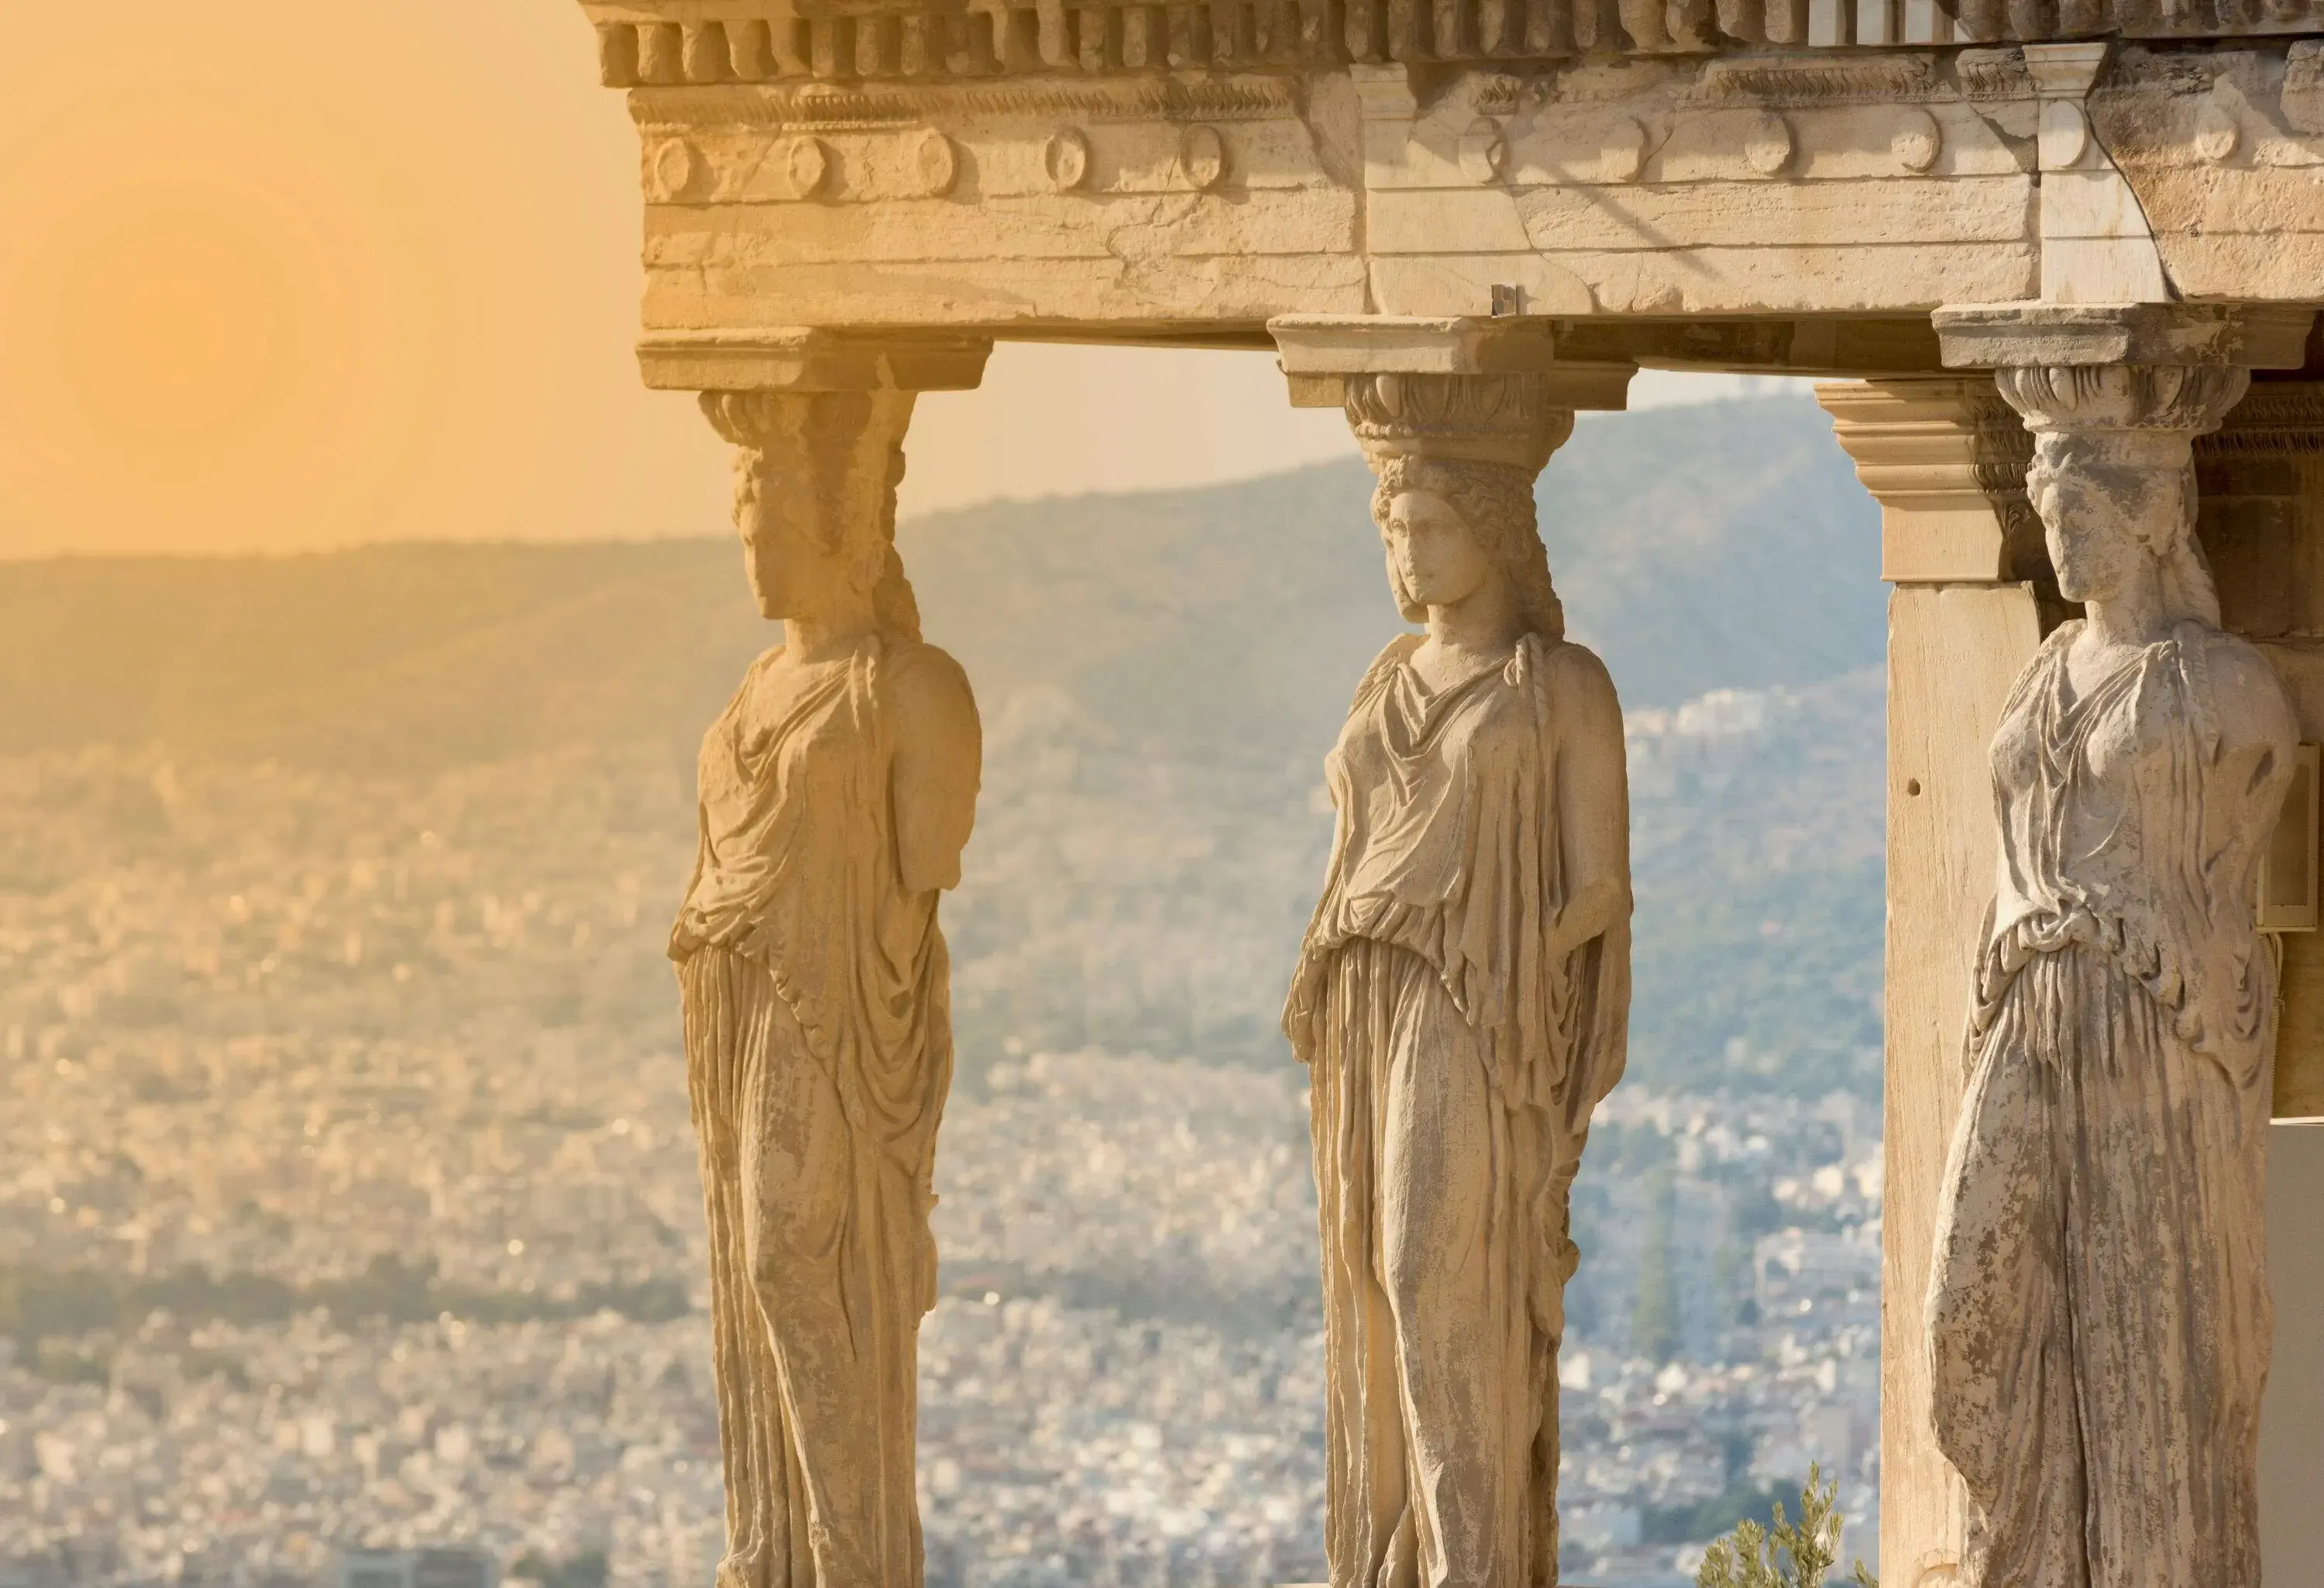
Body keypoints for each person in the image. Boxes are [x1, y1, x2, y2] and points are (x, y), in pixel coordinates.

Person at [1927, 418, 2298, 1588]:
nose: (2061, 536)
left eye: (2083, 511)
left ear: (2152, 514)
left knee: (2154, 1349)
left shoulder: (2226, 687)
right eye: (2050, 515)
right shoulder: (2041, 668)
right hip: (2026, 1013)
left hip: (2152, 1030)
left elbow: (2237, 880)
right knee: (1967, 1335)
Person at [1284, 416, 1631, 1588]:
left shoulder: (1561, 685)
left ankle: (1472, 1561)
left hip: (1476, 1002)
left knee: (1433, 1272)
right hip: (1364, 987)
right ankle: (1409, 1555)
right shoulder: (1384, 676)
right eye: (1393, 526)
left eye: (1431, 524)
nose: (1409, 548)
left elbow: (1603, 886)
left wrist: (1528, 965)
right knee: (1374, 1280)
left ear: (1491, 525)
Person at [672, 390, 979, 1588]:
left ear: (846, 525)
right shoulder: (753, 687)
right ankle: (782, 1543)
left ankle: (851, 1555)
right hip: (740, 1004)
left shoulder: (910, 687)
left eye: (777, 519)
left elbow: (927, 863)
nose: (754, 547)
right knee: (754, 1270)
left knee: (787, 1259)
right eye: (746, 523)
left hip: (839, 1012)